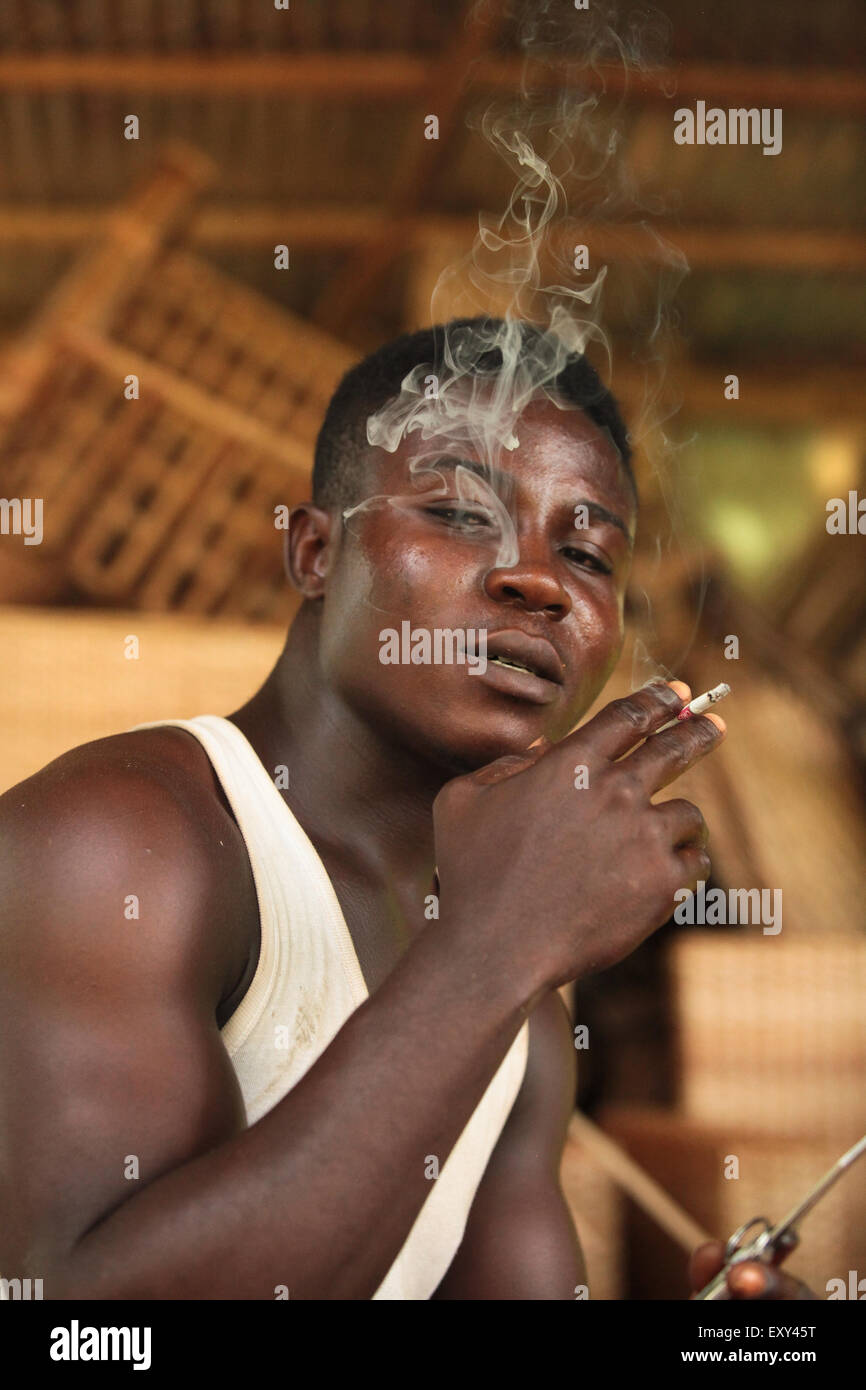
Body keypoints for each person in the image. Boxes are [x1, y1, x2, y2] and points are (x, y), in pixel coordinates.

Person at [0, 317, 811, 1300]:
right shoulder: (117, 842)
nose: (538, 581)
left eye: (588, 555)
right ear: (312, 552)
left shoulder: (521, 1000)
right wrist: (493, 949)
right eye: (463, 514)